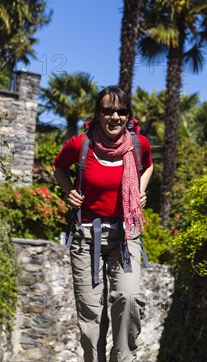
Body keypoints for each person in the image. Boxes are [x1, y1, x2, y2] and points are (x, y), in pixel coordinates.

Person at [53, 85, 153, 362]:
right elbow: (59, 166)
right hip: (86, 238)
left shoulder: (138, 144)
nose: (115, 116)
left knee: (129, 298)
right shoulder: (80, 144)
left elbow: (149, 166)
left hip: (126, 235)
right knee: (91, 313)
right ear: (98, 114)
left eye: (121, 111)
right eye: (108, 110)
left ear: (128, 116)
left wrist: (141, 190)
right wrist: (68, 190)